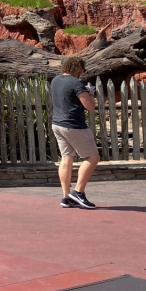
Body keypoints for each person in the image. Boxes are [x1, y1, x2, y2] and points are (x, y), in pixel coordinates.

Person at [51, 56, 100, 209]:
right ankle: (78, 192)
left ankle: (66, 197)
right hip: (74, 125)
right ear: (78, 69)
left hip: (57, 124)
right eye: (82, 70)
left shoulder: (55, 80)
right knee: (92, 157)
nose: (82, 73)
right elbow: (90, 106)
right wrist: (90, 94)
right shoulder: (77, 83)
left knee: (66, 158)